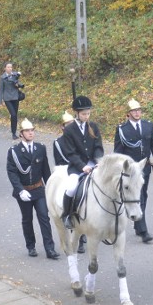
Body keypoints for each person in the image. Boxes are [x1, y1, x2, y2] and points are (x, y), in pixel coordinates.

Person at [113, 98, 153, 243]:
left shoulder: (148, 126)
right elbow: (118, 151)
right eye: (134, 111)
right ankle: (143, 231)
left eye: (139, 110)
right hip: (130, 170)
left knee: (144, 195)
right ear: (128, 114)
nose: (137, 113)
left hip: (145, 167)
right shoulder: (122, 130)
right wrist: (119, 168)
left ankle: (137, 223)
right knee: (140, 195)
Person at [6, 118, 60, 259]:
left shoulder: (40, 148)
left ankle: (50, 249)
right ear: (21, 134)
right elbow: (12, 172)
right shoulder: (14, 151)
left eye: (32, 130)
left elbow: (45, 171)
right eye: (27, 131)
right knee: (27, 219)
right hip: (24, 191)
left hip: (38, 189)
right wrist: (20, 190)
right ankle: (31, 246)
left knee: (44, 217)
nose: (31, 133)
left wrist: (51, 189)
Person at [59, 95, 104, 230]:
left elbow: (98, 146)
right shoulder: (69, 130)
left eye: (88, 113)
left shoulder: (94, 126)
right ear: (77, 114)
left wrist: (98, 161)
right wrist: (82, 166)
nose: (86, 116)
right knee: (72, 187)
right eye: (84, 114)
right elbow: (70, 153)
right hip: (77, 167)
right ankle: (67, 215)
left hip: (93, 164)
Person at [0, 62, 24, 139]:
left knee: (15, 116)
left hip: (15, 97)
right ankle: (13, 133)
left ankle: (14, 132)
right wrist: (0, 100)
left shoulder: (15, 75)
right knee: (13, 114)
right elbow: (1, 89)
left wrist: (18, 85)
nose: (10, 68)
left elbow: (19, 84)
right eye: (8, 67)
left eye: (11, 67)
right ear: (5, 68)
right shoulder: (2, 77)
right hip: (7, 98)